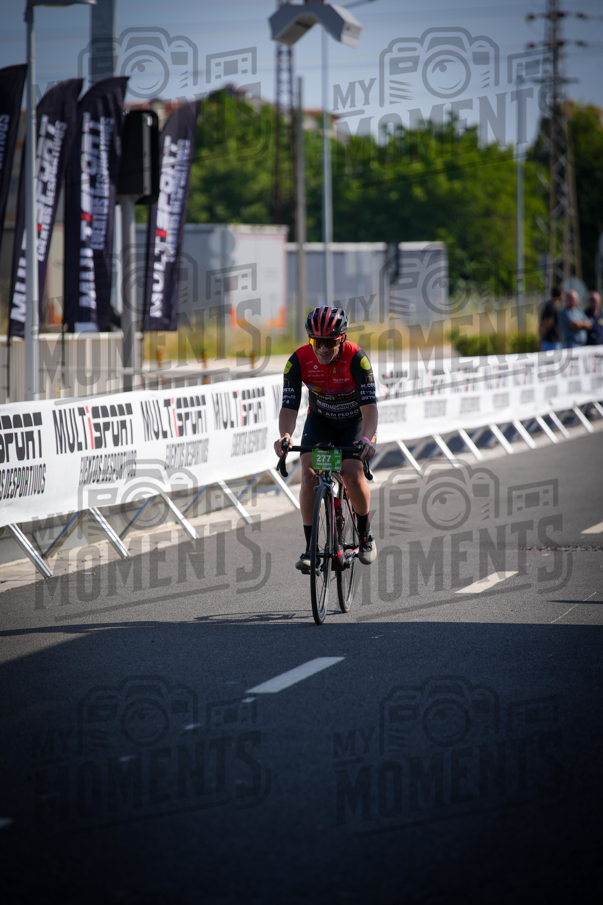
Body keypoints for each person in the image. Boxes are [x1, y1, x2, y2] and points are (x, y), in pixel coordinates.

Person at [274, 305, 378, 570]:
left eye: (329, 343)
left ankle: (365, 535)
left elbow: (369, 410)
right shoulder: (297, 361)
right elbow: (289, 408)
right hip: (320, 421)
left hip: (353, 422)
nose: (322, 349)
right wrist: (285, 436)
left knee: (352, 475)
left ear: (341, 339)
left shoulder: (357, 359)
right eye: (316, 342)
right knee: (308, 476)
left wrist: (367, 439)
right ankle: (310, 549)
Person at [539, 285, 563, 351]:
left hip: (550, 342)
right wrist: (541, 338)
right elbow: (548, 322)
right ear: (561, 294)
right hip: (551, 343)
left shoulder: (550, 305)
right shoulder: (552, 307)